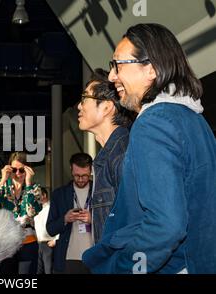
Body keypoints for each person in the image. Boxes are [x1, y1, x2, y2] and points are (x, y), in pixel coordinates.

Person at [83, 23, 216, 274]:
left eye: (118, 65)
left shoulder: (153, 123)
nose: (112, 77)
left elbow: (166, 225)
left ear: (151, 69)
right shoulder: (196, 122)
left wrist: (124, 269)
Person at [77, 68, 135, 243]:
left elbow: (136, 226)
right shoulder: (110, 155)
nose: (79, 106)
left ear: (107, 107)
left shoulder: (121, 155)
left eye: (85, 98)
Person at [0, 151, 42, 274]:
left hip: (28, 242)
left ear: (27, 170)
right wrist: (2, 180)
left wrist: (28, 184)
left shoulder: (35, 188)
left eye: (21, 170)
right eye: (14, 170)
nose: (17, 174)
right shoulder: (1, 186)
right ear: (8, 169)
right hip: (6, 242)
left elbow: (31, 212)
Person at [46, 153, 93, 274]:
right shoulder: (59, 194)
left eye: (85, 176)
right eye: (77, 175)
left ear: (91, 171)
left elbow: (113, 223)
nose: (81, 179)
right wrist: (65, 219)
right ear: (71, 170)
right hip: (68, 258)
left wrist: (93, 219)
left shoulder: (100, 193)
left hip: (95, 257)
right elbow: (50, 229)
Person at [34, 187, 58, 274]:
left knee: (49, 271)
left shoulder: (53, 207)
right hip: (38, 244)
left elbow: (60, 223)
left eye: (37, 195)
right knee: (38, 271)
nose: (35, 198)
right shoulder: (36, 210)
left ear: (44, 195)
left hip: (49, 244)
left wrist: (55, 240)